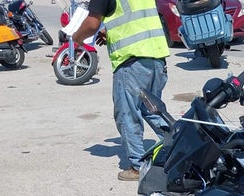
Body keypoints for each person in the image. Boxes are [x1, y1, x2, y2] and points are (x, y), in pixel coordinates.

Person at [71, 0, 170, 181]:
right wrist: (108, 30)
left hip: (132, 62)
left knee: (127, 114)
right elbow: (135, 17)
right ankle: (180, 148)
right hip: (157, 57)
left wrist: (76, 37)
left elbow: (91, 23)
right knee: (154, 110)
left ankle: (138, 167)